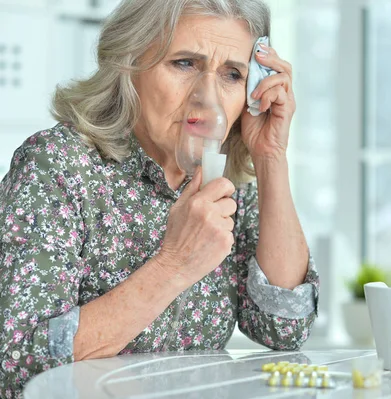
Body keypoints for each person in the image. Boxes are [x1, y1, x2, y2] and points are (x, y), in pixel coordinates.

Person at [0, 0, 319, 396]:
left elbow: (285, 327)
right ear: (129, 65)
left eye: (232, 74)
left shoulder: (225, 182)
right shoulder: (58, 165)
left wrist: (271, 157)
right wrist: (175, 265)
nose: (208, 99)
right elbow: (17, 366)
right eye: (184, 63)